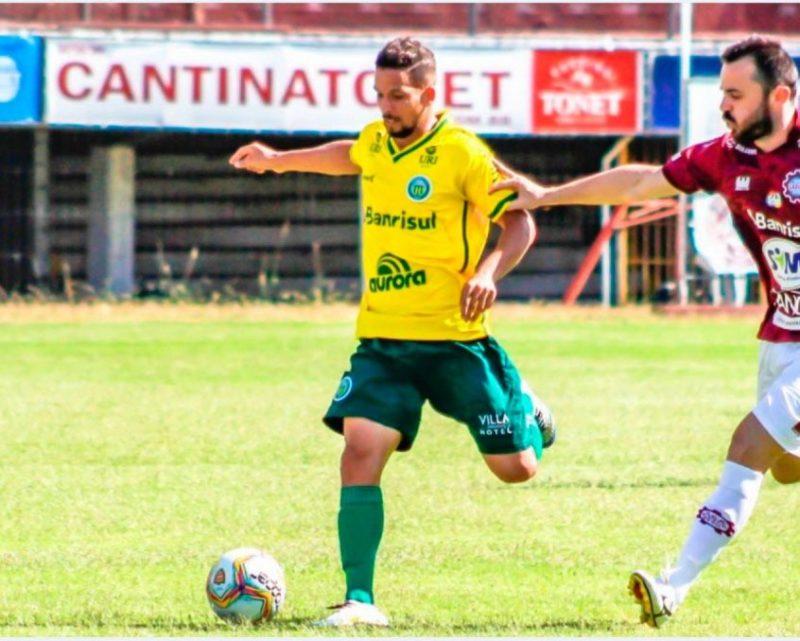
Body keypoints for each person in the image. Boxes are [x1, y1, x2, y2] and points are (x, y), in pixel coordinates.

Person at [229, 37, 556, 627]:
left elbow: (521, 222)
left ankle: (529, 412)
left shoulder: (463, 154)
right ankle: (359, 599)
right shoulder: (377, 140)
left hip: (457, 342)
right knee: (359, 454)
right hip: (383, 342)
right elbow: (349, 154)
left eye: (399, 96)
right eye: (380, 94)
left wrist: (487, 272)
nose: (386, 107)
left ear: (429, 94)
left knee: (515, 470)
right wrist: (277, 159)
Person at [491, 35, 800, 628]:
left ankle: (673, 585)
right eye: (722, 93)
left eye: (736, 94)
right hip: (780, 339)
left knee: (748, 447)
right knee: (786, 466)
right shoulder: (726, 157)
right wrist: (548, 196)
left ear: (781, 96)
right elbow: (638, 184)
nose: (723, 105)